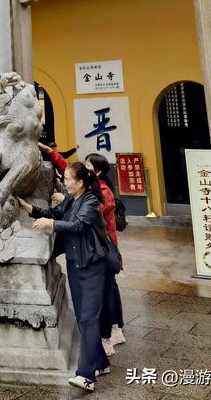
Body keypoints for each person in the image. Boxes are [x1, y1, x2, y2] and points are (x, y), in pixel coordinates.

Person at [18, 162, 110, 393]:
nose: (64, 182)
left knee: (88, 317)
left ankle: (86, 375)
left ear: (80, 182)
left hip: (92, 266)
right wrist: (29, 208)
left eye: (68, 178)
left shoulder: (89, 201)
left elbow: (78, 225)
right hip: (75, 264)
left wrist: (51, 224)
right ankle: (100, 362)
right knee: (83, 316)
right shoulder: (71, 199)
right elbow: (55, 213)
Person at [85, 153, 126, 354]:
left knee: (108, 289)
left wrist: (69, 200)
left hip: (105, 249)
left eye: (87, 165)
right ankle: (114, 328)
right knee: (108, 288)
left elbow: (92, 211)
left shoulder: (103, 191)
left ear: (98, 171)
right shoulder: (92, 188)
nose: (84, 167)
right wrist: (51, 153)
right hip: (99, 248)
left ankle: (113, 332)